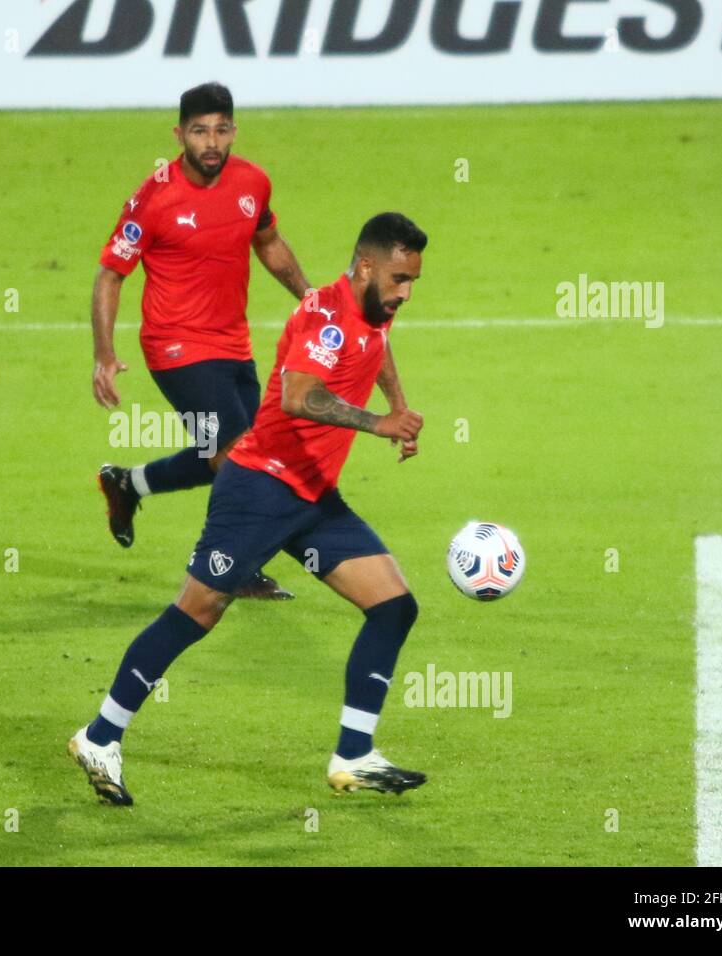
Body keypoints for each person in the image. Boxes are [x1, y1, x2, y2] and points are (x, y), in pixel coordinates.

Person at [71, 213, 428, 806]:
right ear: (365, 266)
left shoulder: (374, 311)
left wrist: (400, 408)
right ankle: (99, 736)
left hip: (314, 495)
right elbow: (297, 394)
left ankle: (354, 754)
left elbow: (380, 345)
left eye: (412, 280)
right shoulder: (327, 317)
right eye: (397, 278)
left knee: (394, 607)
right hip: (259, 489)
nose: (405, 292)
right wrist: (376, 422)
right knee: (197, 613)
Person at [93, 82, 311, 600]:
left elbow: (269, 241)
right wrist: (104, 354)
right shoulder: (154, 198)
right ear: (179, 134)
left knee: (245, 453)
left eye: (219, 130)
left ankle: (129, 485)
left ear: (233, 130)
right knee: (237, 454)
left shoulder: (253, 182)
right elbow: (110, 274)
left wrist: (307, 296)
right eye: (198, 131)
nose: (210, 142)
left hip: (233, 343)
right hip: (175, 347)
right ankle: (225, 564)